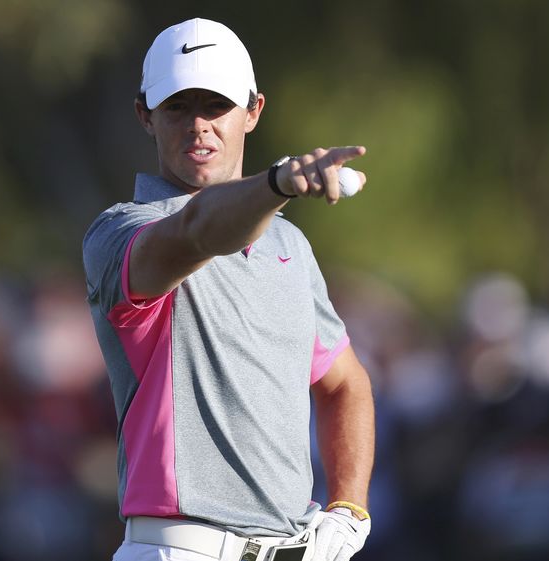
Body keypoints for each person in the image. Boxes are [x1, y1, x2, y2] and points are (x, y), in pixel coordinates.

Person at [83, 17, 375, 561]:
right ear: (145, 115)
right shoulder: (121, 231)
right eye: (177, 107)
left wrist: (349, 508)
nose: (198, 125)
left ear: (253, 111)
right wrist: (276, 184)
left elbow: (344, 385)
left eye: (215, 106)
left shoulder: (290, 245)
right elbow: (198, 230)